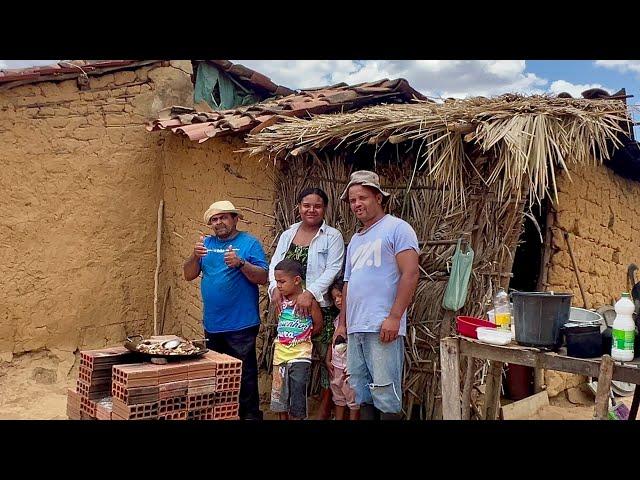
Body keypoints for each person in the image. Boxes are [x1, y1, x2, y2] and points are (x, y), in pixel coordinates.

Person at [334, 171, 420, 420]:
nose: (357, 204)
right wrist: (343, 323)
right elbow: (348, 284)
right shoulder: (356, 239)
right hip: (356, 328)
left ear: (378, 198)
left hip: (382, 325)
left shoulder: (397, 228)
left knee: (385, 392)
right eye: (352, 200)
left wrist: (394, 317)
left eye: (363, 197)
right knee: (361, 392)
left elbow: (410, 274)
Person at [184, 200, 268, 420]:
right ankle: (224, 415)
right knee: (218, 377)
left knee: (245, 378)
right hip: (213, 324)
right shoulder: (206, 244)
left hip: (241, 324)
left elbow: (263, 277)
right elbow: (188, 274)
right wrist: (195, 255)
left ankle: (249, 416)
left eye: (223, 217)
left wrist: (240, 263)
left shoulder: (249, 243)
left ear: (234, 219)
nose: (218, 222)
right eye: (214, 219)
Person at [268, 187, 344, 419]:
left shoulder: (332, 236)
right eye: (306, 205)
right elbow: (275, 264)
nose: (311, 210)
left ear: (325, 209)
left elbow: (334, 268)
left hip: (319, 307)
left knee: (325, 359)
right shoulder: (288, 234)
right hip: (289, 308)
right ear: (299, 207)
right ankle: (286, 409)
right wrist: (274, 289)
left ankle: (323, 408)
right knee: (290, 356)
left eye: (317, 206)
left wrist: (309, 292)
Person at [270, 259, 323, 420]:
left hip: (300, 355)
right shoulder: (279, 302)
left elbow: (318, 324)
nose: (278, 286)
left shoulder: (309, 303)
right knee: (279, 397)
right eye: (277, 281)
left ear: (297, 280)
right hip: (280, 356)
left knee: (298, 393)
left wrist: (302, 337)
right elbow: (280, 323)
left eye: (282, 281)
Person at [326, 277, 360, 420]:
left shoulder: (355, 319)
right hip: (336, 366)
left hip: (349, 368)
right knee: (338, 396)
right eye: (335, 298)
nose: (338, 300)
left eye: (340, 295)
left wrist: (354, 365)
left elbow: (358, 344)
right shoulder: (337, 320)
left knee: (353, 399)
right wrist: (328, 359)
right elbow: (332, 341)